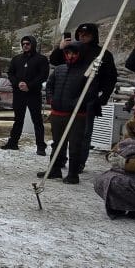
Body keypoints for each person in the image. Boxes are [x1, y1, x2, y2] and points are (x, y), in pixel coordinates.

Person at [49, 23, 117, 171]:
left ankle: (78, 163)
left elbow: (110, 78)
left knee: (83, 134)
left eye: (86, 34)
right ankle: (59, 160)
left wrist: (103, 97)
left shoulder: (102, 53)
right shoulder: (71, 49)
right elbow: (54, 61)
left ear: (94, 35)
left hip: (88, 98)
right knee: (61, 134)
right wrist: (60, 48)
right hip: (66, 97)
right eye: (80, 33)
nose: (82, 36)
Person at [39, 41, 99, 184]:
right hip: (58, 113)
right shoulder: (59, 69)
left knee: (75, 145)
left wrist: (77, 102)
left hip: (77, 115)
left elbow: (90, 92)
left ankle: (73, 173)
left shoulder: (87, 72)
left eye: (73, 53)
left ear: (79, 54)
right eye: (68, 53)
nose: (70, 56)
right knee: (57, 143)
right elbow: (50, 85)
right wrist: (50, 98)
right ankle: (54, 169)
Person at [1, 35, 49, 155]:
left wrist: (30, 85)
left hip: (33, 93)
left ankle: (40, 146)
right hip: (19, 93)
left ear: (33, 44)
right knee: (18, 119)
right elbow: (10, 73)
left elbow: (43, 75)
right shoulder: (17, 59)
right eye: (23, 44)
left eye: (28, 43)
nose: (25, 46)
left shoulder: (41, 59)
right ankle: (13, 142)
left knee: (37, 120)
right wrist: (18, 84)